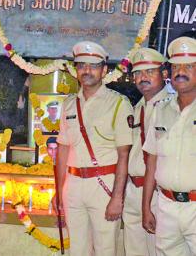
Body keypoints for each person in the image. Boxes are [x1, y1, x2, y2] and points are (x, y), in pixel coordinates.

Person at [56, 41, 133, 256]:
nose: (86, 71)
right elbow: (62, 150)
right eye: (81, 65)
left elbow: (123, 155)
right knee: (77, 250)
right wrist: (59, 189)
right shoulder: (69, 104)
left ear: (104, 70)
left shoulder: (118, 103)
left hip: (104, 186)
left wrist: (117, 197)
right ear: (76, 70)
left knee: (105, 249)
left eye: (93, 66)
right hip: (73, 186)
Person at [142, 36, 196, 256]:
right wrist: (146, 207)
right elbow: (152, 162)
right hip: (166, 206)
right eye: (176, 66)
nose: (180, 71)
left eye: (189, 66)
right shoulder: (160, 109)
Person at [123, 48, 172, 256]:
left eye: (149, 72)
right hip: (133, 190)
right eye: (137, 73)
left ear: (164, 74)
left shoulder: (173, 107)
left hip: (157, 194)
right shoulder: (138, 107)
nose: (142, 78)